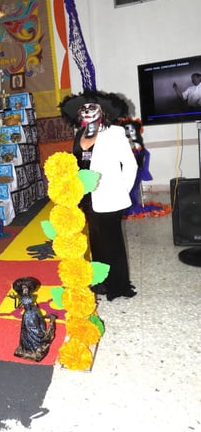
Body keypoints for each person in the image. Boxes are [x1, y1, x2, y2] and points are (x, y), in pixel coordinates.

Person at [59, 89, 138, 301]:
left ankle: (118, 285)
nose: (86, 111)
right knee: (96, 239)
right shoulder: (79, 134)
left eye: (92, 107)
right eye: (83, 108)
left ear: (102, 111)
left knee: (112, 241)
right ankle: (101, 280)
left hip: (110, 196)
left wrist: (122, 189)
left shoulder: (115, 133)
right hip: (86, 197)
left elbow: (130, 165)